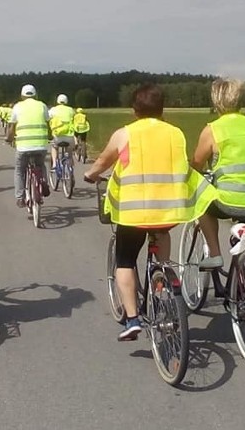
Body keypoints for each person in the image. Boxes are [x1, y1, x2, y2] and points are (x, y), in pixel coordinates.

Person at [84, 84, 216, 340]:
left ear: (135, 110)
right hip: (169, 211)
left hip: (134, 215)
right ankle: (161, 281)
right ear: (161, 109)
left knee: (124, 261)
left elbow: (103, 162)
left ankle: (132, 319)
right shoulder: (176, 133)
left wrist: (90, 175)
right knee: (160, 244)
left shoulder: (125, 134)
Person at [190, 78, 245, 270]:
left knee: (202, 204)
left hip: (231, 201)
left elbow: (196, 164)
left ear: (216, 100)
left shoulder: (213, 129)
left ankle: (215, 255)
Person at [6, 85, 51, 207]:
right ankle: (44, 183)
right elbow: (48, 123)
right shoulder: (42, 105)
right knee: (41, 165)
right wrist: (50, 136)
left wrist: (9, 138)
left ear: (22, 95)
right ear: (35, 95)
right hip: (41, 145)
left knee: (20, 170)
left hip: (23, 146)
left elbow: (12, 127)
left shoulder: (17, 107)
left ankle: (20, 198)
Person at [48, 94, 76, 170]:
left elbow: (48, 118)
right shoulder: (71, 110)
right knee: (69, 150)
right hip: (69, 136)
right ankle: (70, 164)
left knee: (54, 147)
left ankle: (54, 164)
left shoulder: (53, 110)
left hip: (58, 136)